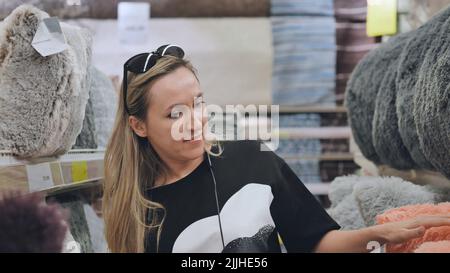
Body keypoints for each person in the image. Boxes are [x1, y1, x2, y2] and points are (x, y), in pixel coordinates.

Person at [103, 44, 450, 253]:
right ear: (139, 126)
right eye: (175, 113)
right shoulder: (136, 209)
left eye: (198, 103)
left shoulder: (254, 160)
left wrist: (376, 234)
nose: (194, 121)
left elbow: (313, 243)